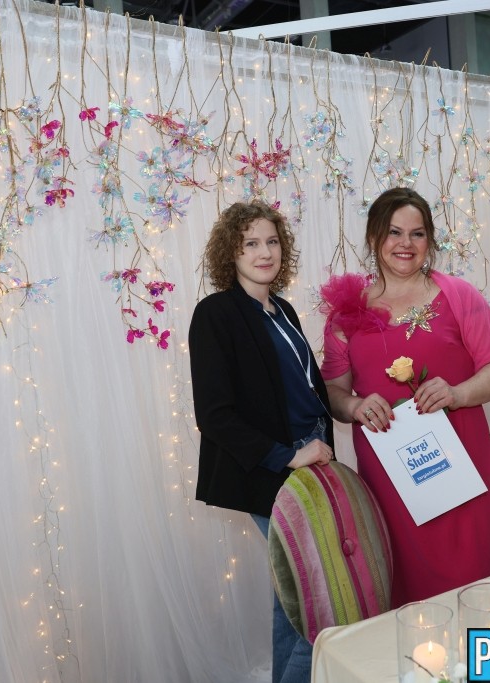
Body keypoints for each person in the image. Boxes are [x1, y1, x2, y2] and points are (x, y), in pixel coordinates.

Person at [320, 187, 490, 607]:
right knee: (403, 591)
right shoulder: (346, 312)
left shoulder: (459, 296)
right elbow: (333, 391)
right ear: (374, 237)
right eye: (394, 232)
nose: (405, 244)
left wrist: (458, 393)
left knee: (468, 585)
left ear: (430, 240)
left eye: (417, 233)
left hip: (461, 469)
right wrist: (354, 405)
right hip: (390, 476)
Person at [189, 201, 334, 683]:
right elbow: (214, 415)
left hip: (313, 458)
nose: (264, 252)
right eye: (250, 243)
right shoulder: (216, 313)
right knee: (319, 604)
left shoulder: (283, 309)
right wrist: (288, 457)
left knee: (292, 601)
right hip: (275, 470)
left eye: (271, 241)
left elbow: (303, 388)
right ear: (230, 253)